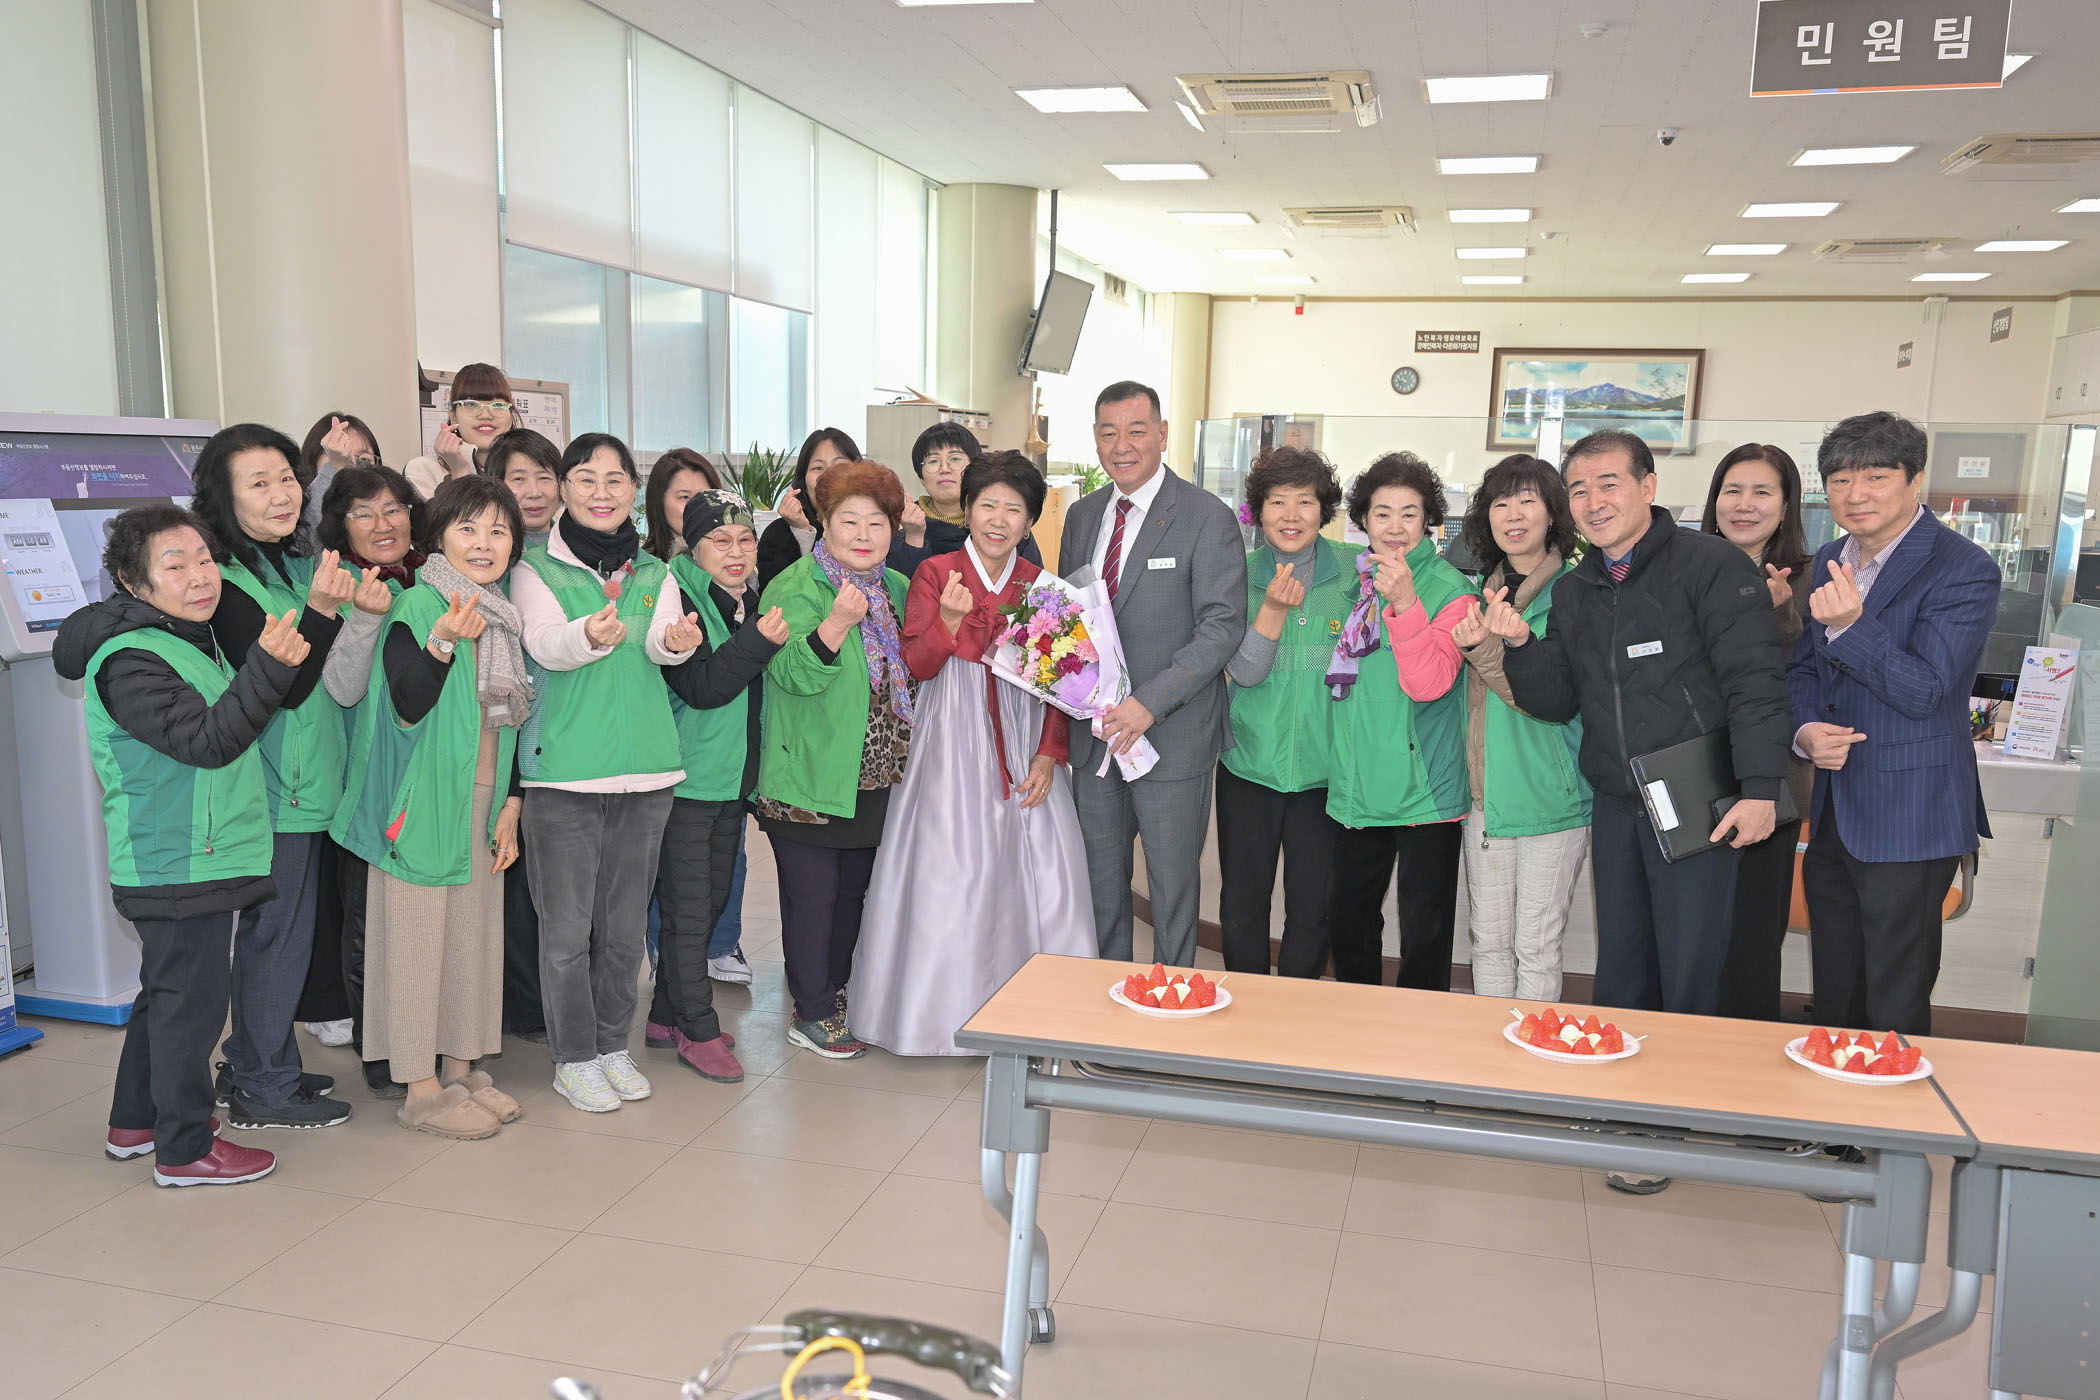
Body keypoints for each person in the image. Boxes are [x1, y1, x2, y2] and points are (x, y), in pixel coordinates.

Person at [54, 505, 307, 1186]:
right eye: (176, 565)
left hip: (196, 851)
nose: (200, 576)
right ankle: (184, 1149)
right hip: (176, 859)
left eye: (203, 559)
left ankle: (137, 1122)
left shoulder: (180, 637)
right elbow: (207, 741)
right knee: (189, 1008)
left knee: (166, 995)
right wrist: (268, 668)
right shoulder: (131, 658)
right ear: (132, 581)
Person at [1497, 428, 1788, 1011]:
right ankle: (1621, 1071)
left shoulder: (1712, 565)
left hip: (1699, 801)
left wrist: (1761, 790)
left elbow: (1756, 685)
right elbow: (1558, 702)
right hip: (1618, 803)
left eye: (1609, 484)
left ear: (1648, 487)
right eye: (1579, 490)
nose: (1593, 502)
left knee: (1692, 973)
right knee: (1623, 970)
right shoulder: (1577, 588)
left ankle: (1687, 1071)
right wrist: (1523, 646)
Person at [854, 452, 1094, 1055]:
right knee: (950, 865)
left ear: (1030, 521)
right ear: (966, 509)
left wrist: (1049, 753)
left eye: (1014, 509)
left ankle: (1034, 1012)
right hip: (950, 735)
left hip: (1022, 730)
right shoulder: (935, 573)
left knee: (1036, 866)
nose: (998, 519)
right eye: (988, 505)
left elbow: (1060, 682)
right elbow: (917, 665)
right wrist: (949, 621)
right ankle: (939, 1015)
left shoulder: (1039, 585)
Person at [333, 475, 533, 1136]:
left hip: (482, 801)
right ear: (439, 536)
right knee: (417, 947)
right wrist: (443, 641)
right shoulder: (416, 604)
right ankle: (420, 1088)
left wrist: (511, 803)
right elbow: (407, 704)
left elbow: (512, 720)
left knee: (472, 943)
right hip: (420, 804)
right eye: (468, 528)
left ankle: (461, 1070)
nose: (484, 543)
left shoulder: (502, 614)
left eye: (498, 530)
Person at [1790, 412, 1999, 1037]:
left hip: (1912, 812)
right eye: (1840, 480)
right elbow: (1803, 668)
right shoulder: (1831, 557)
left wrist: (1852, 627)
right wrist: (1805, 731)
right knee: (1835, 984)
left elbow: (1926, 690)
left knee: (1895, 994)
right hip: (1834, 809)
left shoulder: (1963, 567)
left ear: (1914, 480)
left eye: (1876, 477)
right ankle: (1836, 1096)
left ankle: (1894, 1102)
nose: (1855, 494)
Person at [513, 432, 695, 1113]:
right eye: (586, 479)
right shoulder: (534, 567)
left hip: (647, 773)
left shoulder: (655, 571)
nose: (601, 492)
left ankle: (612, 1045)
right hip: (564, 775)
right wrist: (585, 636)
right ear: (564, 488)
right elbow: (542, 644)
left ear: (632, 492)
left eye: (615, 480)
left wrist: (677, 644)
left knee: (622, 931)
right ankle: (574, 1057)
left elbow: (662, 643)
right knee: (566, 933)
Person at [188, 424, 354, 1131]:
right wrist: (323, 612)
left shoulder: (285, 562)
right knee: (274, 938)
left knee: (280, 936)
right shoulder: (225, 585)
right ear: (222, 497)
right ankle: (263, 1086)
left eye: (287, 477)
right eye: (259, 483)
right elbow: (286, 687)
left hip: (307, 781)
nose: (283, 493)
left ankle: (257, 1061)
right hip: (271, 790)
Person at [1061, 381, 1246, 966]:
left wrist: (1148, 703)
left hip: (1170, 736)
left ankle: (1170, 1001)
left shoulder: (1206, 517)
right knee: (1100, 888)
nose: (1122, 445)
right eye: (1108, 432)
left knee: (1172, 892)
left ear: (1162, 435)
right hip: (1095, 740)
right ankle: (1106, 996)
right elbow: (1070, 621)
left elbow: (1221, 627)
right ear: (1095, 440)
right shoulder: (1082, 516)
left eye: (1137, 430)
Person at [754, 460, 914, 1059]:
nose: (864, 534)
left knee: (853, 895)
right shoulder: (794, 587)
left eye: (877, 522)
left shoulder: (896, 588)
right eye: (849, 520)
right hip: (808, 773)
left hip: (874, 775)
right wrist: (837, 625)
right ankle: (813, 1009)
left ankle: (836, 993)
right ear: (824, 522)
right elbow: (792, 674)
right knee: (812, 899)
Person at [640, 490, 787, 1081]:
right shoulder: (677, 597)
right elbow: (702, 688)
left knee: (710, 900)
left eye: (745, 539)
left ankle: (663, 1016)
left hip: (728, 779)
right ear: (691, 546)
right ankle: (696, 1028)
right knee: (689, 909)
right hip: (686, 780)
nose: (736, 552)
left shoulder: (744, 598)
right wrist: (759, 642)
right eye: (719, 541)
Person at [1326, 452, 1476, 991]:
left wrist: (1408, 602)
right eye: (1382, 513)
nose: (1395, 527)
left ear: (1428, 521)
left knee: (1425, 936)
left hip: (1425, 791)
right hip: (1356, 783)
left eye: (1409, 514)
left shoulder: (1454, 592)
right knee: (1350, 925)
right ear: (1363, 520)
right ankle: (1355, 1027)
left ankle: (1420, 1035)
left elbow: (1430, 683)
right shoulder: (1352, 584)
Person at [1448, 456, 1591, 1001]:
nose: (1513, 515)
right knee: (1487, 943)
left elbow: (1551, 701)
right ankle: (1489, 1053)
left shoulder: (1576, 591)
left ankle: (1530, 1051)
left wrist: (1489, 649)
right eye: (1501, 503)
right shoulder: (1482, 591)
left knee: (1535, 946)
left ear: (1553, 513)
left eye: (1528, 501)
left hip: (1549, 798)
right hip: (1486, 796)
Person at [1215, 446, 1358, 977]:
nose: (1291, 515)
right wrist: (1272, 610)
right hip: (1248, 765)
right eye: (1277, 501)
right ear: (1258, 510)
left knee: (1313, 910)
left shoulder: (1355, 573)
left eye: (1305, 501)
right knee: (1241, 906)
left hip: (1326, 773)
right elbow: (1244, 672)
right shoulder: (1236, 572)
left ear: (1325, 509)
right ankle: (1246, 1009)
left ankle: (1297, 1011)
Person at [301, 465, 425, 1072]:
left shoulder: (429, 575)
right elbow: (343, 689)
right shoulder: (337, 584)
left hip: (426, 777)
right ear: (339, 524)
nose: (383, 524)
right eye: (364, 513)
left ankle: (419, 1033)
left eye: (394, 509)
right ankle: (378, 1048)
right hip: (366, 783)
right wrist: (368, 617)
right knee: (368, 920)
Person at [1702, 444, 1815, 1020]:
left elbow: (1807, 680)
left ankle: (1742, 1057)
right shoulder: (1686, 568)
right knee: (1689, 935)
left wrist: (1775, 613)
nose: (1744, 505)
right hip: (1692, 777)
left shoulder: (1813, 577)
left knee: (1751, 935)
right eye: (1733, 491)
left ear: (1787, 505)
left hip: (1768, 785)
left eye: (1762, 492)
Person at [482, 427, 560, 1039]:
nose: (532, 491)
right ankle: (519, 1003)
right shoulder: (490, 562)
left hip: (561, 735)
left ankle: (550, 998)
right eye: (517, 479)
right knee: (509, 875)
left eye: (543, 477)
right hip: (501, 736)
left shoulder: (573, 554)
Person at [885, 422, 1043, 579]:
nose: (944, 469)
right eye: (933, 461)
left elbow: (1036, 588)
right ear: (921, 479)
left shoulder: (1004, 528)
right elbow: (902, 589)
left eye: (955, 459)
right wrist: (914, 538)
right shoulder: (905, 530)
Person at [759, 428, 860, 590]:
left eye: (840, 465)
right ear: (803, 481)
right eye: (817, 468)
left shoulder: (874, 528)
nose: (828, 475)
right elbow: (775, 594)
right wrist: (802, 532)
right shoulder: (778, 533)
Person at [405, 362, 516, 501]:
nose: (485, 415)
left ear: (510, 417)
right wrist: (459, 472)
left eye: (498, 405)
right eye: (471, 404)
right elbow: (443, 516)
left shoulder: (529, 468)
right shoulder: (423, 469)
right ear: (453, 416)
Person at [297, 411, 383, 530]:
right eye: (337, 455)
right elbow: (305, 531)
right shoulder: (295, 509)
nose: (353, 469)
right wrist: (334, 466)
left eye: (364, 459)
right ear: (312, 462)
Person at [485, 428, 562, 550]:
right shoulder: (489, 549)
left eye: (544, 478)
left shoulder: (575, 544)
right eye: (519, 479)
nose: (534, 493)